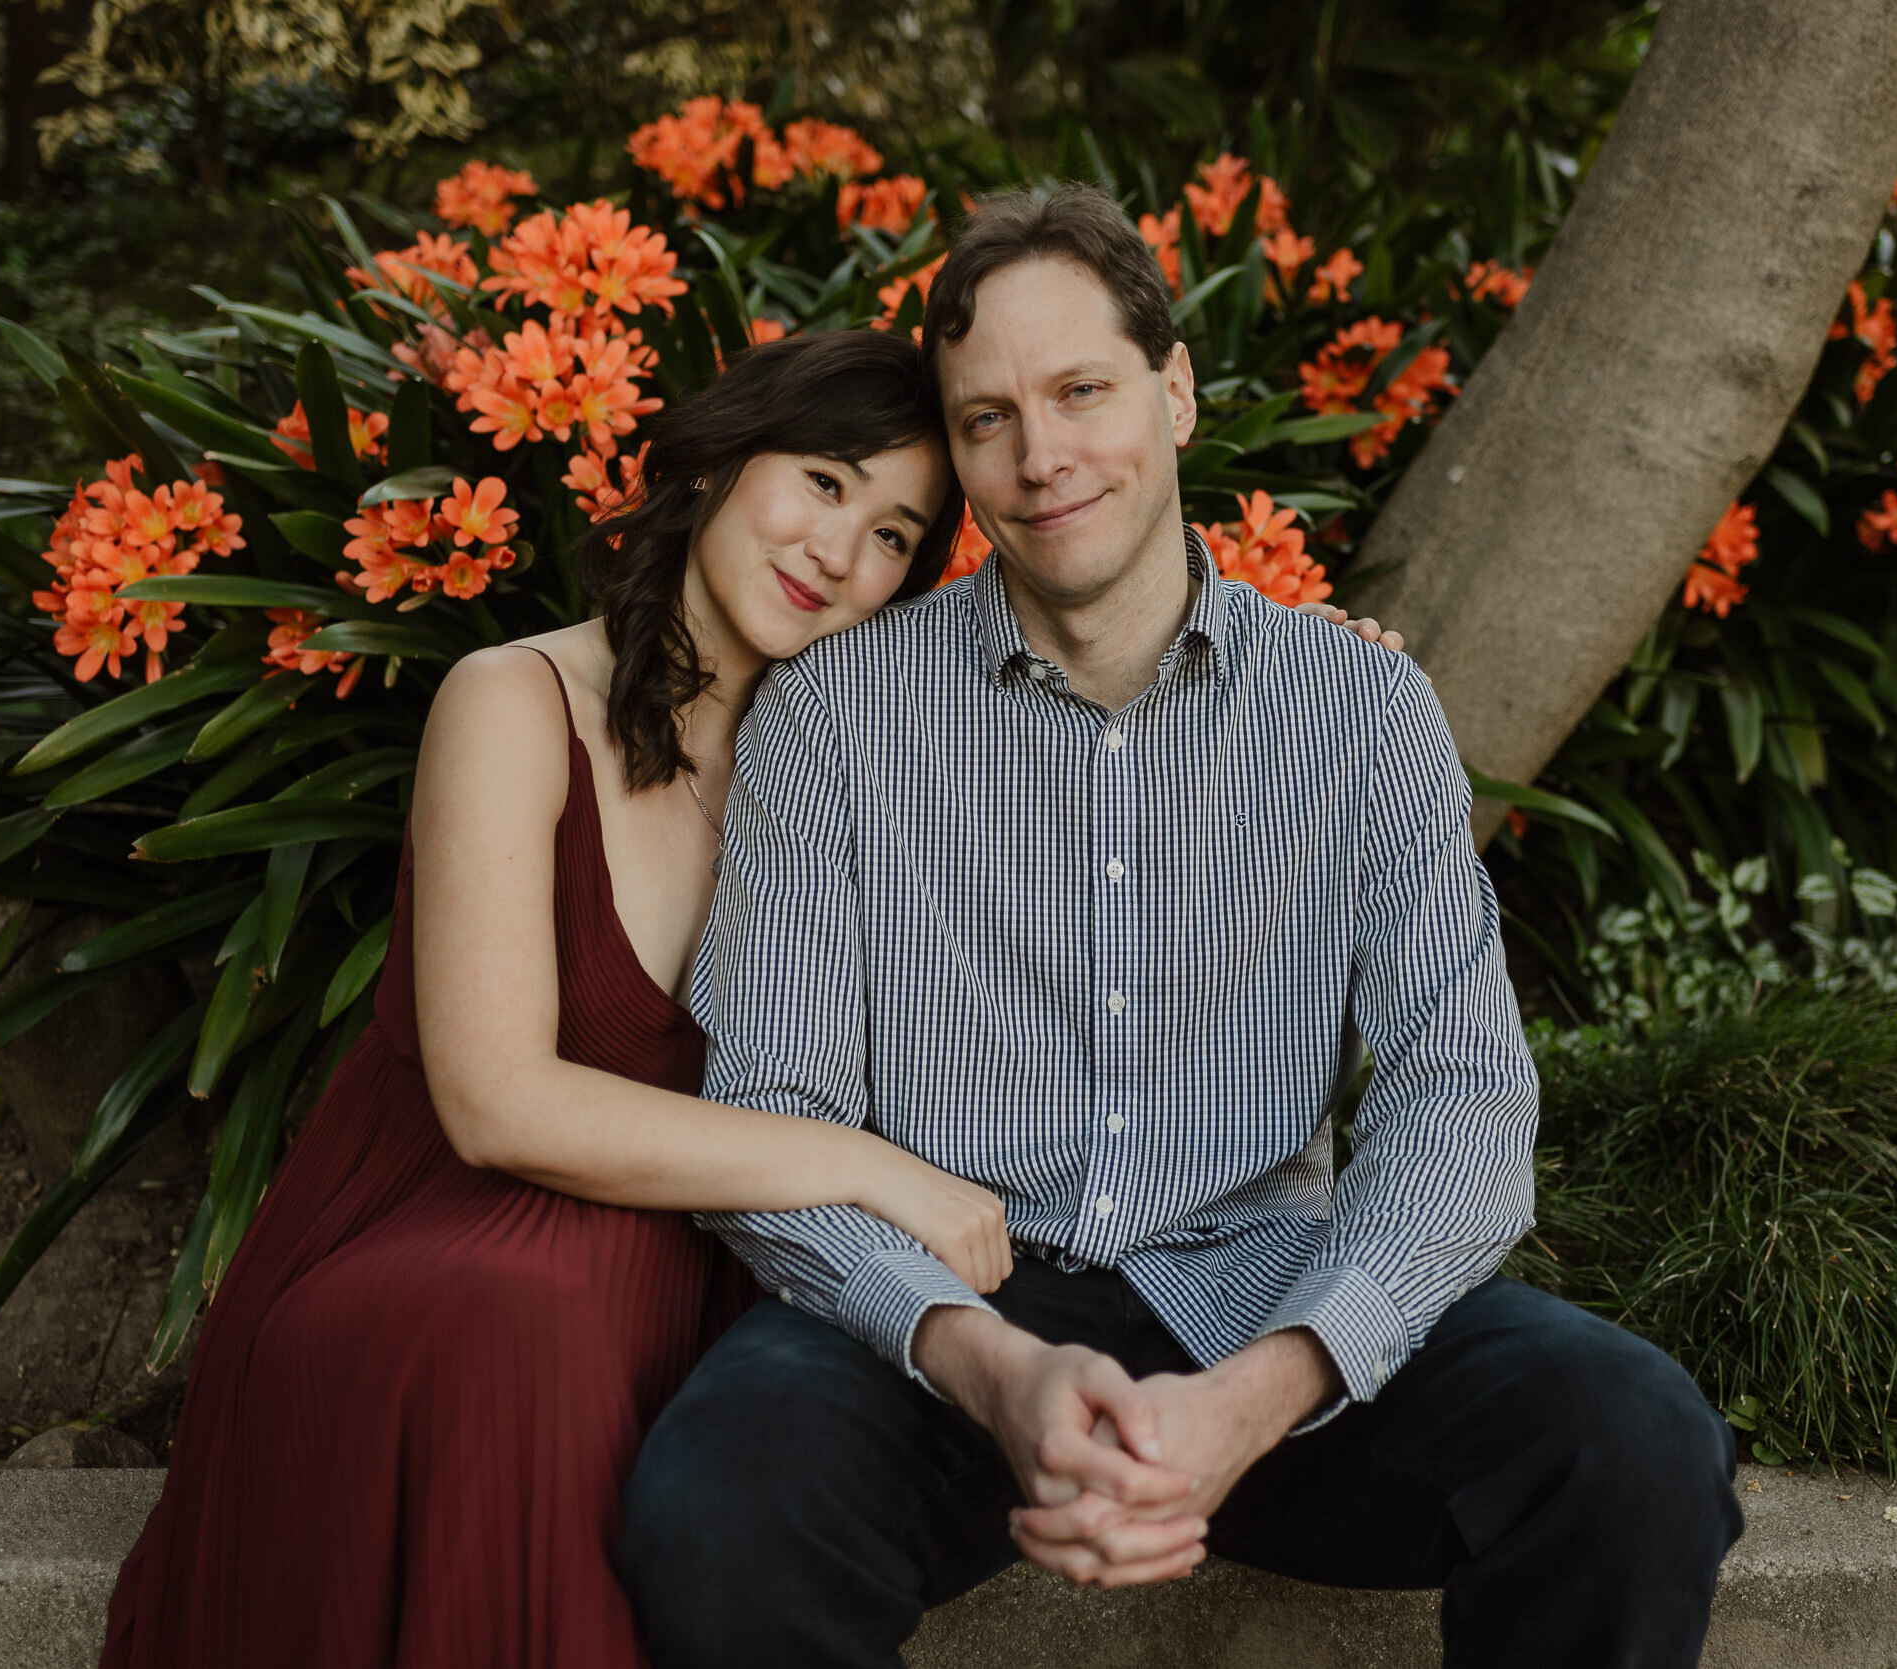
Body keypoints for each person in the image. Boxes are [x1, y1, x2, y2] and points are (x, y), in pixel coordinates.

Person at [97, 325, 1410, 1669]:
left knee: (727, 1412)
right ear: (720, 460)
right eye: (825, 481)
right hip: (459, 1227)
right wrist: (870, 1166)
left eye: (897, 532)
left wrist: (1321, 683)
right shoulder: (512, 700)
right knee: (520, 1329)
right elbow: (493, 1101)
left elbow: (1117, 821)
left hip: (706, 1255)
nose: (842, 552)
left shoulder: (873, 754)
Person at [614, 185, 1746, 1669]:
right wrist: (992, 1365)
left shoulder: (1360, 712)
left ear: (1177, 390)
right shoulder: (837, 719)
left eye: (1082, 390)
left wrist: (1264, 1387)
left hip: (1270, 1303)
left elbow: (1463, 1100)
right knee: (717, 1505)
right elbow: (772, 1108)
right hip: (956, 1321)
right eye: (987, 419)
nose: (1041, 458)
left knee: (1638, 1442)